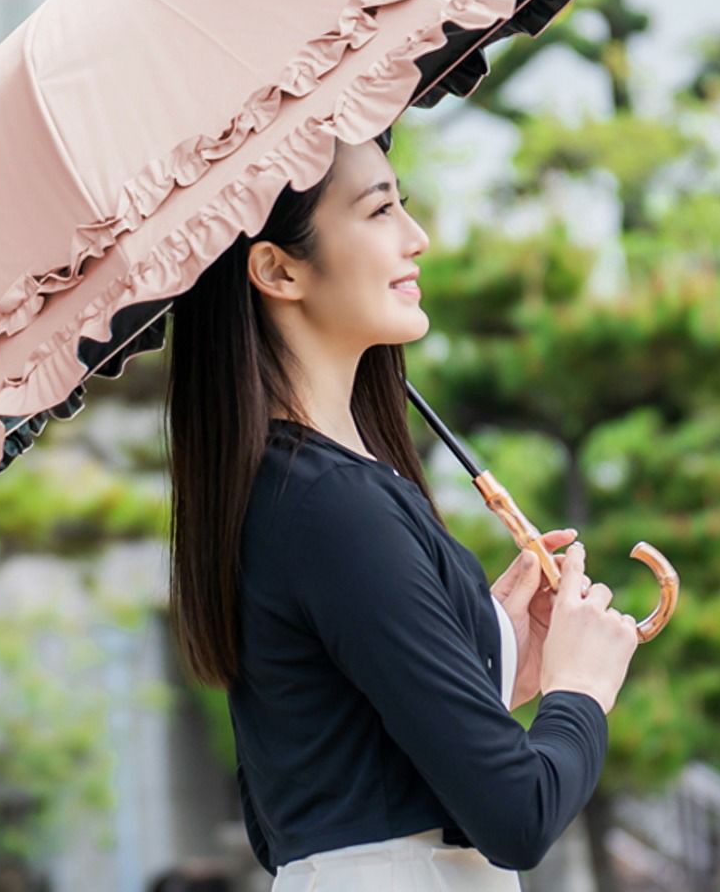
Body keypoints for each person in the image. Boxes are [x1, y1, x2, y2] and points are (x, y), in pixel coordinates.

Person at [164, 134, 639, 890]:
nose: (416, 238)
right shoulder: (331, 505)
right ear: (278, 269)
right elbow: (520, 814)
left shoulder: (299, 489)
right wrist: (580, 687)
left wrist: (488, 653)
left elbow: (325, 775)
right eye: (379, 210)